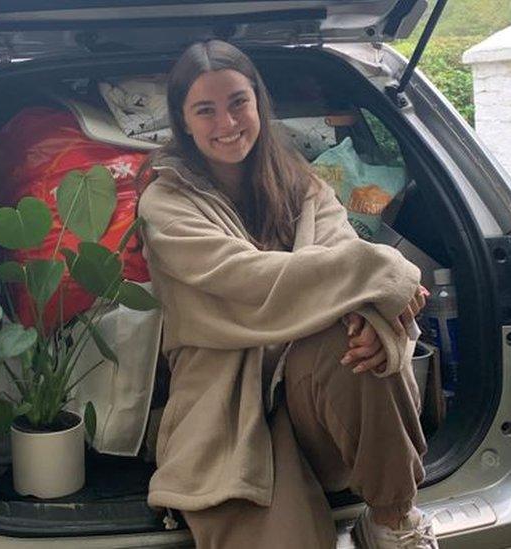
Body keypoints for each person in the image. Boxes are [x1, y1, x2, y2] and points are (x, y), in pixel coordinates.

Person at [136, 40, 437, 549]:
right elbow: (252, 281)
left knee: (359, 344)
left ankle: (393, 520)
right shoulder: (165, 204)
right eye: (205, 110)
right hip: (228, 405)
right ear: (183, 121)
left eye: (238, 102)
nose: (226, 122)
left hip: (317, 402)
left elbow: (346, 262)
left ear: (259, 103)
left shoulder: (303, 184)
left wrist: (372, 320)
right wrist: (380, 270)